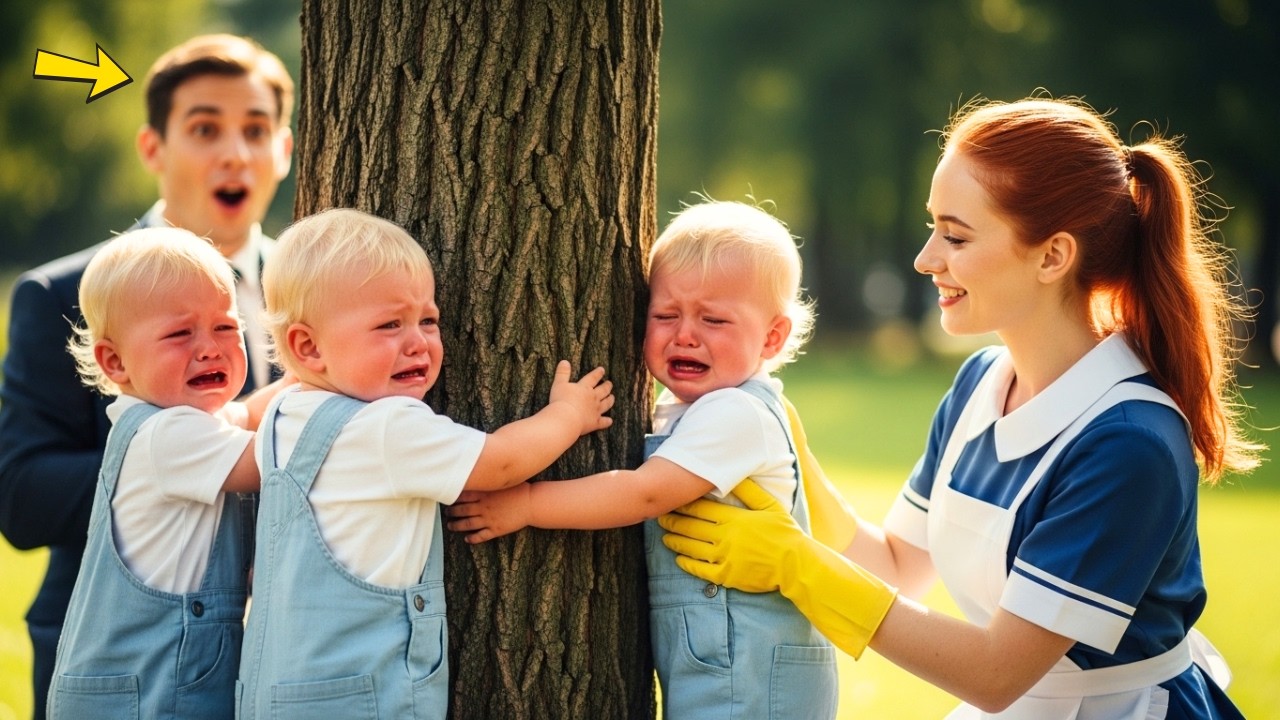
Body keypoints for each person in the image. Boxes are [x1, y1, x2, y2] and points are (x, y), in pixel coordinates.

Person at [659, 97, 1260, 719]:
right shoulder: (980, 382)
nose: (926, 259)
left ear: (1053, 256)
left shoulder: (1130, 442)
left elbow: (996, 673)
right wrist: (790, 452)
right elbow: (897, 566)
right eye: (932, 228)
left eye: (956, 236)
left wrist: (795, 564)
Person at [448, 199, 840, 719]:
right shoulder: (688, 409)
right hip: (720, 655)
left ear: (772, 337)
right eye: (665, 315)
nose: (685, 335)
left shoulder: (737, 413)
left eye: (714, 319)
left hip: (751, 667)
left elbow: (644, 491)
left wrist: (526, 503)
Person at [0, 33, 293, 718]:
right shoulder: (60, 294)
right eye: (205, 128)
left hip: (277, 657)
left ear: (284, 150)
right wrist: (163, 467)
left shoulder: (318, 296)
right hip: (121, 668)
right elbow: (20, 494)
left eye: (256, 130)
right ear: (153, 148)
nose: (234, 153)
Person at [235, 208, 615, 719]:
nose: (418, 342)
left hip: (277, 690)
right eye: (389, 325)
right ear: (309, 347)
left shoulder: (282, 414)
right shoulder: (386, 425)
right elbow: (500, 464)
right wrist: (568, 415)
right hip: (363, 697)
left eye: (428, 320)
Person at [45, 228, 290, 719]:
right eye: (181, 334)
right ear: (115, 361)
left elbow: (249, 413)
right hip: (144, 696)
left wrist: (309, 377)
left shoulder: (180, 423)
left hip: (158, 684)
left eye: (226, 327)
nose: (210, 348)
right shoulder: (167, 437)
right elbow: (281, 461)